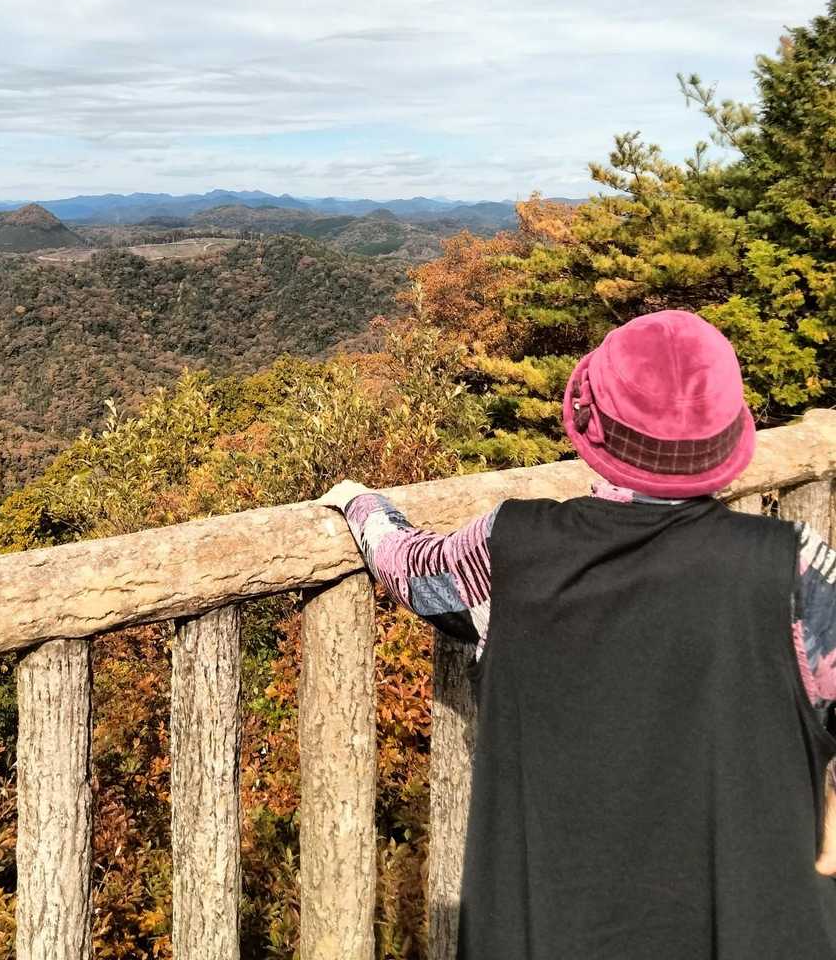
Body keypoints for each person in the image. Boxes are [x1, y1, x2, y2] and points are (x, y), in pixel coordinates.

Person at [315, 309, 836, 959]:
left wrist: (362, 504)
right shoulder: (793, 568)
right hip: (749, 925)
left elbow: (414, 572)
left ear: (594, 430)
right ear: (727, 440)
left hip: (553, 927)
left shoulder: (513, 548)